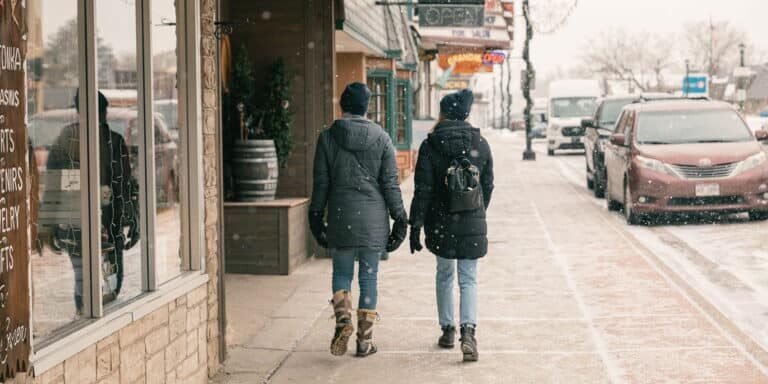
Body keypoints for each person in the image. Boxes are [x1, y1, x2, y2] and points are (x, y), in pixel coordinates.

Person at [309, 82, 408, 357]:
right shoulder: (382, 138)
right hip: (373, 221)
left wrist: (316, 217)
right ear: (367, 108)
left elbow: (321, 185)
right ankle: (364, 341)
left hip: (341, 217)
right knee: (369, 277)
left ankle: (343, 320)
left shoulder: (327, 138)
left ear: (343, 106)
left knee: (341, 273)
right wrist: (400, 218)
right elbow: (391, 184)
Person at [409, 89, 494, 362]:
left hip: (440, 221)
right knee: (468, 278)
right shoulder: (480, 143)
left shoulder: (431, 144)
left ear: (444, 113)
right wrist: (477, 209)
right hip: (471, 219)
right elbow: (489, 184)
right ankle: (468, 332)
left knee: (445, 274)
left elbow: (422, 189)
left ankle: (447, 329)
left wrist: (415, 225)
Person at [45, 91, 137, 313]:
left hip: (80, 222)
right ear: (105, 112)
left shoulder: (67, 140)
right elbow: (124, 186)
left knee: (85, 278)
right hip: (103, 221)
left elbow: (55, 187)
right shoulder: (111, 141)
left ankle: (84, 312)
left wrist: (50, 225)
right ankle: (91, 314)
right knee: (109, 280)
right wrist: (133, 219)